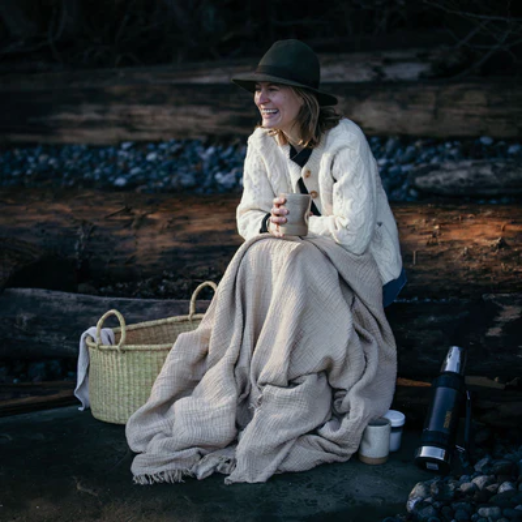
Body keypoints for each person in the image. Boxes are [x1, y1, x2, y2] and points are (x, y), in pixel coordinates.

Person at [125, 39, 405, 485]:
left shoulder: (344, 140)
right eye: (258, 89)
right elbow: (247, 217)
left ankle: (286, 386)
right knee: (255, 255)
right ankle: (257, 386)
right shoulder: (261, 141)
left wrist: (298, 226)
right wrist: (272, 225)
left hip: (365, 266)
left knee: (293, 259)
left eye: (272, 89)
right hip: (300, 262)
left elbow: (353, 235)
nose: (261, 99)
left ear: (302, 97)